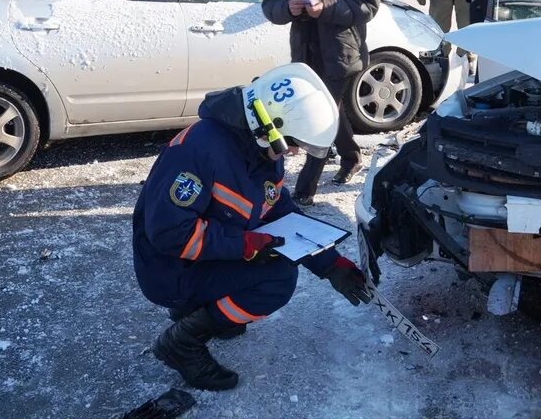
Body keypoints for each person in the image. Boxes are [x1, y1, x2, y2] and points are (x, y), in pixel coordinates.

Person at [132, 63, 372, 391]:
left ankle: (202, 308)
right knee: (277, 279)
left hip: (202, 257)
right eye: (293, 142)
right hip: (169, 269)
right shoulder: (201, 151)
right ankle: (182, 343)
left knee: (265, 269)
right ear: (269, 125)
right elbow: (170, 233)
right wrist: (244, 245)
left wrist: (330, 263)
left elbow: (274, 207)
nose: (295, 151)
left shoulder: (260, 148)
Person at [262, 0, 379, 203]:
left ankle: (303, 192)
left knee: (321, 116)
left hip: (341, 51)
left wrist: (326, 8)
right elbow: (269, 4)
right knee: (331, 109)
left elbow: (367, 5)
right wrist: (287, 7)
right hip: (306, 51)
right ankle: (351, 156)